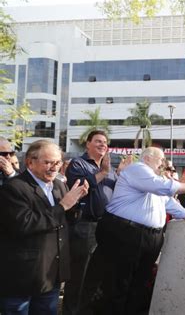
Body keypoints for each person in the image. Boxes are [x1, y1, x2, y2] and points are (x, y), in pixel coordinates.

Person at [80, 147, 185, 314]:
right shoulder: (137, 169)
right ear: (147, 158)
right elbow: (162, 187)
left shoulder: (153, 178)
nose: (163, 163)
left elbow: (166, 201)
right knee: (118, 283)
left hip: (148, 237)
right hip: (126, 233)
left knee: (139, 284)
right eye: (160, 159)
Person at [0, 140, 89, 315]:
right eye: (47, 162)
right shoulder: (14, 187)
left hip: (51, 275)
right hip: (23, 276)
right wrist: (63, 206)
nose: (53, 167)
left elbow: (66, 220)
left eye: (57, 162)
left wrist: (75, 204)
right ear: (30, 162)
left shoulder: (59, 185)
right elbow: (24, 224)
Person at [63, 130, 120, 315]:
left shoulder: (110, 169)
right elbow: (80, 187)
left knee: (99, 275)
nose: (103, 145)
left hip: (106, 226)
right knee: (80, 275)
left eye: (105, 142)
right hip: (85, 226)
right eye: (98, 141)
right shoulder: (78, 164)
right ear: (87, 144)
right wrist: (103, 172)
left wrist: (120, 174)